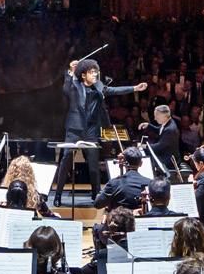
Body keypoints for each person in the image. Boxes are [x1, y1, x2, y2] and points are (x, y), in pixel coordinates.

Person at [52, 58, 148, 206]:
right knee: (66, 161)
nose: (95, 75)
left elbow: (113, 90)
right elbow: (66, 88)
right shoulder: (74, 84)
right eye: (92, 72)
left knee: (93, 164)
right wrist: (71, 70)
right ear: (83, 75)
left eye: (96, 72)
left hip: (91, 129)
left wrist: (135, 88)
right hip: (74, 129)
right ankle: (57, 196)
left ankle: (96, 194)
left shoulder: (98, 85)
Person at [94, 146, 152, 211]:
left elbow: (97, 204)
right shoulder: (150, 183)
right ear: (141, 163)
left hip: (121, 220)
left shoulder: (114, 183)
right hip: (142, 220)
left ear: (124, 163)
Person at [140, 104, 180, 171]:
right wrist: (149, 125)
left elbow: (158, 147)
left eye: (156, 116)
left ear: (164, 116)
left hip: (170, 159)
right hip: (166, 153)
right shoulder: (168, 122)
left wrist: (143, 146)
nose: (155, 119)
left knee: (146, 162)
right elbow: (160, 130)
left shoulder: (170, 129)